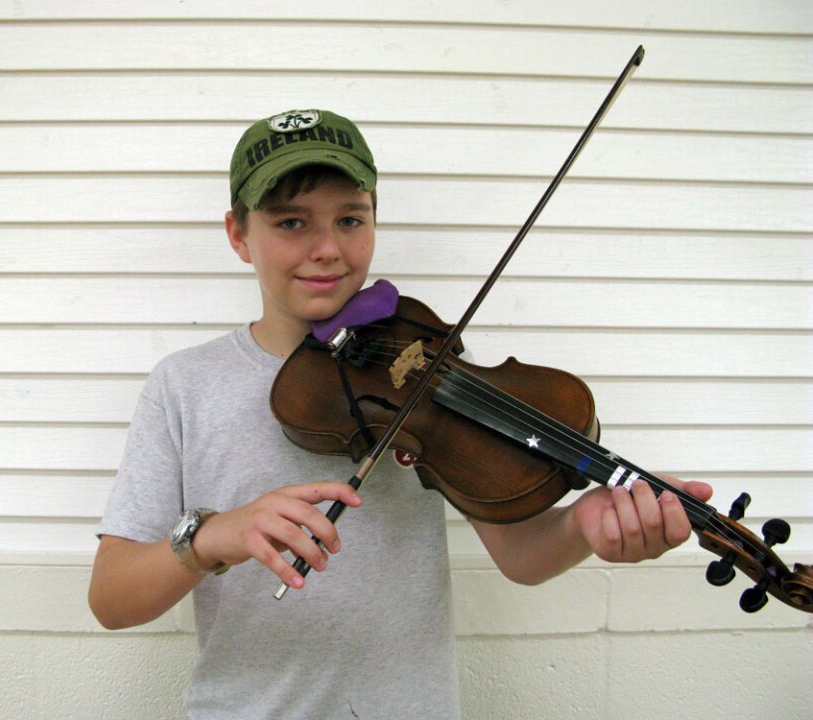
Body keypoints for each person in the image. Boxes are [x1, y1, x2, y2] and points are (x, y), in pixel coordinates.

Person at [88, 109, 713, 719]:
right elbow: (111, 599)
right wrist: (211, 537)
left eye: (350, 219)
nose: (327, 249)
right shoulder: (184, 385)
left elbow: (519, 556)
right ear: (238, 234)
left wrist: (581, 524)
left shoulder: (424, 367)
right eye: (291, 222)